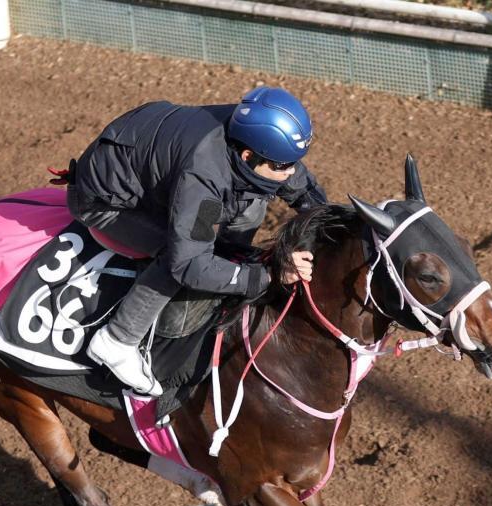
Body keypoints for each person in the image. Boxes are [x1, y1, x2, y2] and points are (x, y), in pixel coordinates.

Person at [65, 86, 327, 396]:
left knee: (251, 206)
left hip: (151, 166)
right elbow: (188, 263)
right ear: (247, 156)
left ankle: (225, 270)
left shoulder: (249, 133)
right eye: (282, 166)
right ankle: (117, 340)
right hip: (105, 203)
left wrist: (324, 219)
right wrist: (265, 277)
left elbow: (298, 183)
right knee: (176, 252)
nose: (291, 172)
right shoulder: (205, 173)